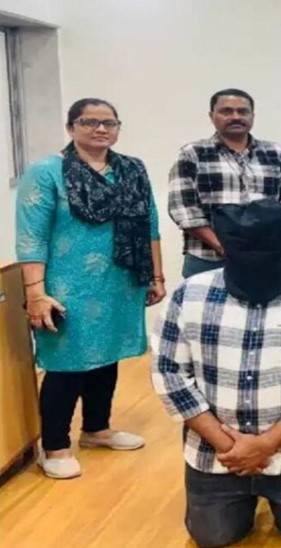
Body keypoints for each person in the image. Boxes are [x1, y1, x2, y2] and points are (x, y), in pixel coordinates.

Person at [151, 198, 281, 547]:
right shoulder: (189, 295)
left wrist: (267, 443)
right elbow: (168, 372)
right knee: (212, 538)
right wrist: (229, 446)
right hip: (217, 455)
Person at [16, 97, 165, 480]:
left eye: (109, 123)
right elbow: (31, 237)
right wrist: (35, 292)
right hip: (66, 286)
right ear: (71, 128)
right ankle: (54, 445)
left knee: (106, 355)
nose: (101, 129)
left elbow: (149, 225)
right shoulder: (47, 172)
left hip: (118, 282)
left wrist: (156, 276)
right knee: (66, 363)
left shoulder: (131, 169)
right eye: (89, 122)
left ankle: (97, 429)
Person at [168, 88, 281, 278]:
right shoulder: (193, 153)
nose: (236, 117)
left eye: (243, 111)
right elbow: (184, 210)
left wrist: (260, 247)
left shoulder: (276, 153)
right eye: (226, 111)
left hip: (265, 258)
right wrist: (225, 247)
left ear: (253, 116)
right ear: (212, 116)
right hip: (207, 259)